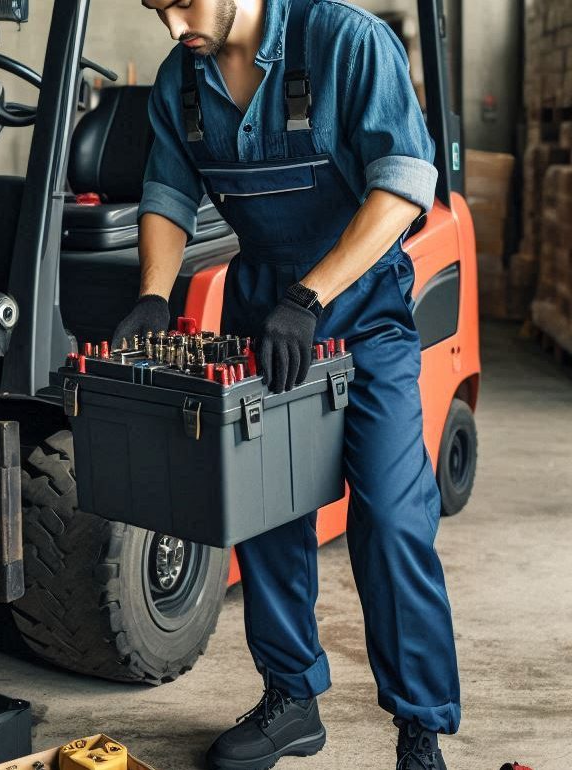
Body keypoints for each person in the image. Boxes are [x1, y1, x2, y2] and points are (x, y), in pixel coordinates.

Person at [111, 1, 460, 768]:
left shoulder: (346, 42)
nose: (173, 27)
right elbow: (169, 194)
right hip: (262, 315)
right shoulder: (183, 79)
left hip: (362, 309)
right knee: (267, 512)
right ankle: (291, 698)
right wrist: (154, 294)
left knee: (393, 518)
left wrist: (311, 296)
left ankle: (419, 727)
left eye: (182, 1)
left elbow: (403, 184)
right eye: (154, 8)